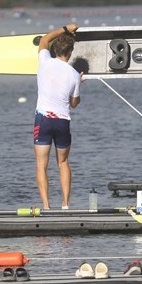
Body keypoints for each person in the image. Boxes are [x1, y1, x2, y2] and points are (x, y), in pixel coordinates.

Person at [33, 24, 82, 210]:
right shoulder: (75, 75)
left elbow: (44, 39)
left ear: (55, 49)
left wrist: (65, 28)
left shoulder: (44, 61)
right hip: (62, 121)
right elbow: (74, 104)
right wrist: (79, 83)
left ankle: (46, 206)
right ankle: (66, 204)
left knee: (41, 164)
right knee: (62, 162)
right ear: (70, 52)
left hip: (43, 119)